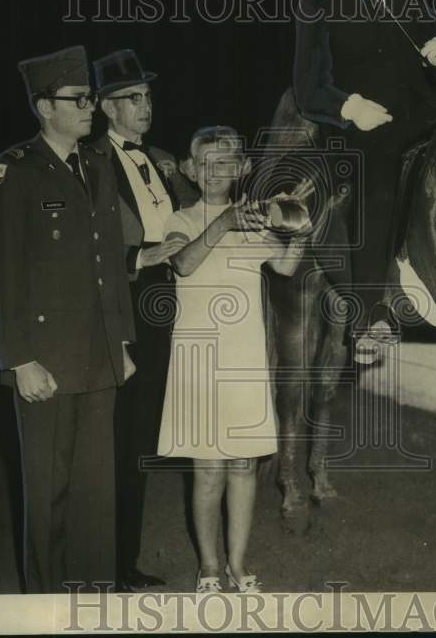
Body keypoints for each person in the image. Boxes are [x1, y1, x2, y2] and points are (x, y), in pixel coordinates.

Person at [0, 45, 137, 593]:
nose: (90, 107)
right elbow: (0, 274)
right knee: (48, 490)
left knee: (97, 488)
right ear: (44, 107)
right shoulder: (15, 170)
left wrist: (122, 342)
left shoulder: (97, 165)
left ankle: (94, 599)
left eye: (91, 98)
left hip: (99, 354)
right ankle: (44, 606)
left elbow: (111, 264)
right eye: (78, 99)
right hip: (45, 356)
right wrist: (19, 359)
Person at [292, 0, 436, 363]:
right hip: (363, 128)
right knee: (379, 185)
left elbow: (432, 28)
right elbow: (308, 88)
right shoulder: (316, 0)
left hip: (425, 111)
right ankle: (370, 315)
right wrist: (350, 108)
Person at [156, 126, 307, 593]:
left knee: (243, 467)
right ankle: (208, 568)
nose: (215, 171)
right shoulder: (178, 218)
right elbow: (182, 263)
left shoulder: (255, 221)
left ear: (241, 169)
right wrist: (225, 222)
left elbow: (285, 265)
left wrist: (299, 222)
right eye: (206, 162)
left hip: (242, 358)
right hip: (197, 362)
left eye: (226, 163)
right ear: (191, 169)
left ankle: (238, 566)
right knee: (207, 471)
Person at [88, 48, 184, 590]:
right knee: (116, 441)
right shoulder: (90, 161)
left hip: (164, 307)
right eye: (131, 99)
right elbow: (83, 245)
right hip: (121, 307)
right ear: (106, 108)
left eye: (147, 97)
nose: (144, 107)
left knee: (141, 440)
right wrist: (137, 257)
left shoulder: (163, 161)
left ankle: (123, 563)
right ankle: (105, 566)